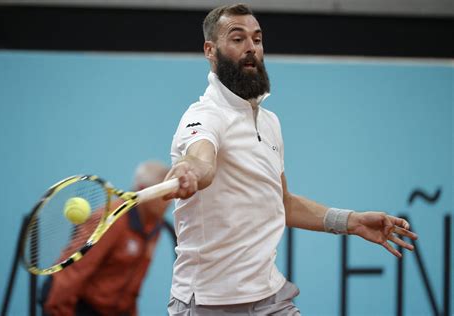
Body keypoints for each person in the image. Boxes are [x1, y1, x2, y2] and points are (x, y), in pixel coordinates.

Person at [164, 4, 418, 315]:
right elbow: (201, 159)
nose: (250, 49)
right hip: (208, 303)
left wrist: (351, 221)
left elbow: (281, 202)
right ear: (210, 50)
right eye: (237, 39)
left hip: (269, 297)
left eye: (257, 40)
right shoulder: (203, 116)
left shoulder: (270, 122)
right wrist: (190, 171)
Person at [43, 161, 171, 316]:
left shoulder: (155, 225)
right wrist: (58, 310)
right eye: (164, 195)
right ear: (143, 189)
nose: (170, 202)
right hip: (77, 306)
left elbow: (133, 281)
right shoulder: (110, 220)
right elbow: (73, 273)